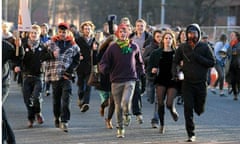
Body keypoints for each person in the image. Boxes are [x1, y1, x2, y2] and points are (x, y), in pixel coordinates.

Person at [99, 23, 145, 138]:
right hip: (116, 80)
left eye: (125, 32)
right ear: (118, 34)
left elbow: (139, 62)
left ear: (128, 34)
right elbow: (103, 61)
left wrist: (141, 72)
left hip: (130, 79)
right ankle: (120, 128)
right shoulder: (112, 47)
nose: (123, 34)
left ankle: (127, 114)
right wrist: (104, 68)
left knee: (125, 101)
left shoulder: (133, 46)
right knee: (118, 105)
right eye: (121, 32)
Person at [172, 23, 215, 142]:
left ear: (198, 34)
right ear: (186, 35)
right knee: (188, 108)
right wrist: (175, 73)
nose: (192, 36)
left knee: (199, 109)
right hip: (187, 83)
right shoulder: (182, 47)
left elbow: (212, 62)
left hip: (201, 83)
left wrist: (198, 57)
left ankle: (199, 108)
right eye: (190, 34)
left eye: (194, 34)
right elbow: (175, 61)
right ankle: (191, 133)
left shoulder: (204, 47)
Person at [44, 22, 80, 132]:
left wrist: (69, 72)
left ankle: (64, 121)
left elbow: (76, 60)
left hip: (66, 76)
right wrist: (51, 54)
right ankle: (57, 117)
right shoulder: (50, 43)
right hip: (54, 75)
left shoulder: (73, 45)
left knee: (66, 99)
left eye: (64, 32)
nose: (62, 34)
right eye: (60, 32)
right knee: (56, 100)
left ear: (68, 32)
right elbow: (41, 56)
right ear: (57, 32)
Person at [14, 24, 47, 128]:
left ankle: (38, 112)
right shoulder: (23, 45)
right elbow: (18, 58)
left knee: (36, 97)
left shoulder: (43, 46)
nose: (33, 34)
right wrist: (16, 66)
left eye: (36, 33)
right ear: (29, 33)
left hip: (39, 76)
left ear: (39, 34)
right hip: (26, 75)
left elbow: (49, 57)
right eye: (32, 32)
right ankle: (31, 118)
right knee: (27, 99)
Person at [148, 30, 179, 134]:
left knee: (169, 103)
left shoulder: (176, 53)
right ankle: (162, 124)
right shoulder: (156, 53)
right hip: (161, 80)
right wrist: (152, 70)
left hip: (173, 80)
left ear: (173, 40)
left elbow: (183, 65)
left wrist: (182, 66)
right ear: (163, 40)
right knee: (160, 103)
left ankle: (172, 110)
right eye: (166, 38)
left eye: (170, 38)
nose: (168, 40)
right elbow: (149, 67)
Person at [143, 29, 163, 128]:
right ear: (154, 37)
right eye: (158, 36)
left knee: (158, 100)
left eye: (161, 37)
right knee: (150, 98)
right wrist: (152, 57)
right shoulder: (149, 47)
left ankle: (155, 119)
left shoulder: (167, 48)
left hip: (162, 77)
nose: (160, 38)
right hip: (151, 77)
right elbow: (143, 59)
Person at [75, 21, 97, 112]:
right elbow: (74, 51)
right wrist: (77, 56)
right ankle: (80, 98)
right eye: (85, 29)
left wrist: (95, 50)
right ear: (82, 30)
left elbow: (98, 54)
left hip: (90, 66)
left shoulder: (94, 40)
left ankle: (86, 103)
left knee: (88, 85)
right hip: (80, 66)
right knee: (81, 86)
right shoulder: (78, 40)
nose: (87, 30)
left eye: (89, 29)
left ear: (91, 30)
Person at [2, 40, 19, 144]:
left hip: (2, 84)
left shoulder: (5, 46)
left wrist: (19, 47)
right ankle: (10, 139)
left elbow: (17, 58)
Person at [227, 31, 240, 100]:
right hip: (232, 64)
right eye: (230, 35)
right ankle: (235, 95)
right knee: (233, 80)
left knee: (238, 80)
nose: (231, 36)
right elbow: (228, 54)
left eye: (232, 35)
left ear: (236, 36)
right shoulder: (230, 44)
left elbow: (237, 51)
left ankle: (238, 89)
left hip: (238, 64)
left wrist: (232, 50)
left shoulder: (238, 43)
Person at [40, 23, 52, 96]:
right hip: (40, 58)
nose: (43, 30)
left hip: (48, 58)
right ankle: (42, 88)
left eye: (45, 29)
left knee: (48, 75)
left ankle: (47, 89)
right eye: (42, 28)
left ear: (47, 30)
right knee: (42, 74)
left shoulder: (50, 38)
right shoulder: (38, 37)